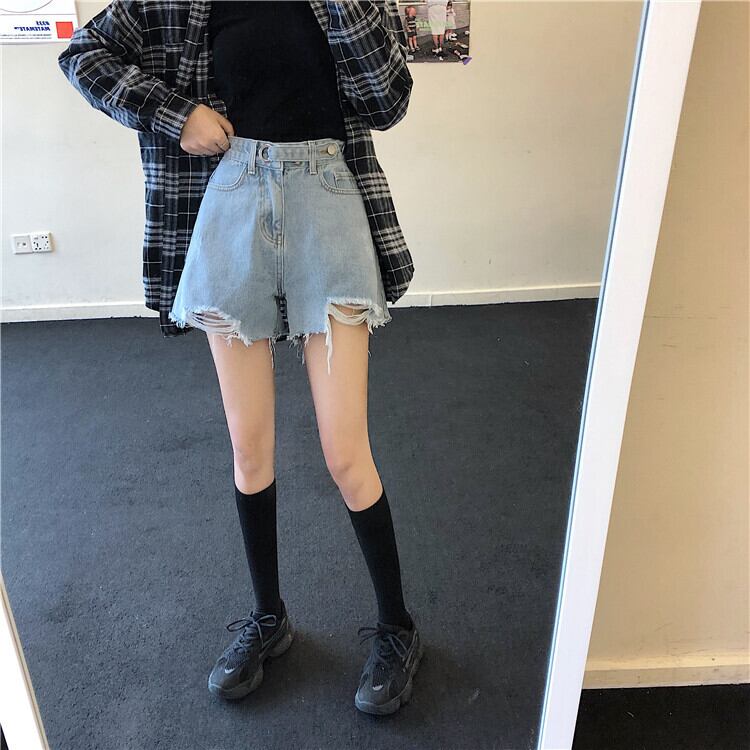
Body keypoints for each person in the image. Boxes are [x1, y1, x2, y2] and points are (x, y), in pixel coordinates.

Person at [57, 0, 422, 717]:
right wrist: (175, 113)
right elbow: (82, 55)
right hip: (230, 200)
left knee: (346, 451)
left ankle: (398, 628)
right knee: (249, 447)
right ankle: (268, 617)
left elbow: (388, 101)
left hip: (329, 198)